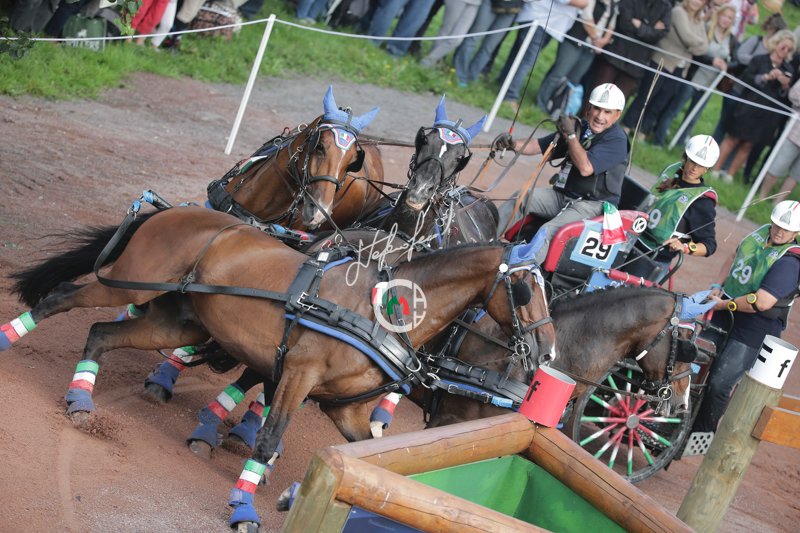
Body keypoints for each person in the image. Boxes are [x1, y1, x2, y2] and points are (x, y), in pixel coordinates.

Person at [691, 200, 800, 441]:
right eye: (777, 225)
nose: (779, 231)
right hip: (724, 308)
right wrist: (717, 285)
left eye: (786, 229)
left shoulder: (790, 262)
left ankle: (701, 434)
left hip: (755, 326)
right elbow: (734, 257)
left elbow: (761, 302)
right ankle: (678, 420)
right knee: (694, 363)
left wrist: (723, 304)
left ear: (796, 233)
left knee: (720, 382)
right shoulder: (759, 234)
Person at [496, 83, 629, 265]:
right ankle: (483, 242)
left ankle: (519, 270)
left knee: (549, 230)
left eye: (607, 112)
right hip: (564, 196)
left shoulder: (617, 139)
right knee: (522, 196)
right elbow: (538, 145)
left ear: (617, 115)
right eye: (597, 109)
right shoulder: (581, 128)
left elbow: (586, 168)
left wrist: (571, 136)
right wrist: (512, 144)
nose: (600, 116)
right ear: (589, 108)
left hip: (592, 206)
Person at [623, 135, 719, 282]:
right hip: (631, 239)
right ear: (686, 157)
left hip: (654, 258)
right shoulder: (670, 171)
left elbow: (709, 245)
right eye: (693, 161)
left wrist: (685, 247)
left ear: (707, 168)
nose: (694, 168)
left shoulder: (703, 201)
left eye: (701, 165)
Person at [621, 0, 709, 146]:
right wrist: (694, 45)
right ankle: (627, 125)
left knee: (660, 102)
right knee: (646, 96)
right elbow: (687, 37)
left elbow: (705, 48)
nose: (696, 2)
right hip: (662, 61)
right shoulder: (678, 12)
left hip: (680, 68)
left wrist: (693, 45)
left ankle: (642, 131)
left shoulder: (699, 20)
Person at [713, 30, 796, 182]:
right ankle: (715, 170)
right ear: (776, 44)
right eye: (783, 47)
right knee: (733, 138)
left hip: (766, 113)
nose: (785, 51)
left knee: (748, 144)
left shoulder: (788, 69)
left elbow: (785, 95)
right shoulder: (759, 60)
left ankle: (729, 175)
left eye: (789, 49)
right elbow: (747, 79)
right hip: (748, 105)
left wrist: (785, 85)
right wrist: (766, 77)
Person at [495, 0, 588, 111]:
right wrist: (584, 3)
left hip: (547, 22)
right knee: (527, 59)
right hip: (540, 19)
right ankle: (509, 96)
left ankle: (503, 83)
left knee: (520, 54)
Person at [536, 0, 621, 116]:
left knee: (573, 80)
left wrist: (604, 41)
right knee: (558, 73)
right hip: (575, 40)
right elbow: (586, 17)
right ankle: (541, 103)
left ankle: (558, 108)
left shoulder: (614, 4)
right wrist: (596, 40)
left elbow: (611, 26)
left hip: (591, 48)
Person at [673, 3, 738, 146]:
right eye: (725, 16)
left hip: (710, 84)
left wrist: (726, 65)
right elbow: (697, 52)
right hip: (694, 77)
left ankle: (680, 142)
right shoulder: (707, 28)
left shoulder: (731, 39)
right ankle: (659, 137)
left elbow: (736, 60)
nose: (726, 20)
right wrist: (712, 61)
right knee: (675, 107)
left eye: (730, 18)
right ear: (718, 15)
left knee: (694, 115)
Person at [586, 0, 671, 99]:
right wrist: (650, 29)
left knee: (616, 102)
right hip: (615, 54)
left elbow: (660, 34)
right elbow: (624, 23)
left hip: (636, 64)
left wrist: (639, 25)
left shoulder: (666, 7)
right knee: (597, 95)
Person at [758, 77, 800, 204]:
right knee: (776, 167)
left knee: (795, 176)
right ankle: (761, 198)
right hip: (794, 133)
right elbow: (793, 94)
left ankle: (777, 204)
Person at [419, 0, 481, 68]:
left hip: (475, 3)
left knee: (457, 39)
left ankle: (430, 60)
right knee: (445, 32)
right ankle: (430, 62)